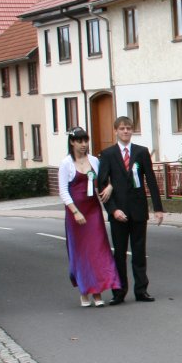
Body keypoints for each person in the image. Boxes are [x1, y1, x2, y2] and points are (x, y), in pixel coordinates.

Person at [96, 115, 165, 304]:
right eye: (122, 128)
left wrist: (158, 208)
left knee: (139, 252)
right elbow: (102, 185)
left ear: (132, 130)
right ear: (116, 131)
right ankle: (119, 292)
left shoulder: (141, 152)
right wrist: (112, 210)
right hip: (119, 212)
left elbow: (150, 180)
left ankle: (141, 290)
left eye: (128, 128)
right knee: (119, 253)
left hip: (138, 210)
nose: (125, 131)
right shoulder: (108, 154)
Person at [58, 127, 120, 307]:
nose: (83, 144)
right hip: (76, 212)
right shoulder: (66, 163)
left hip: (93, 211)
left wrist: (109, 187)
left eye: (86, 140)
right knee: (81, 252)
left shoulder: (94, 160)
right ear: (72, 142)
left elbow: (105, 179)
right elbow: (63, 190)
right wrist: (75, 211)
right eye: (79, 141)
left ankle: (97, 291)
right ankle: (84, 291)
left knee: (98, 250)